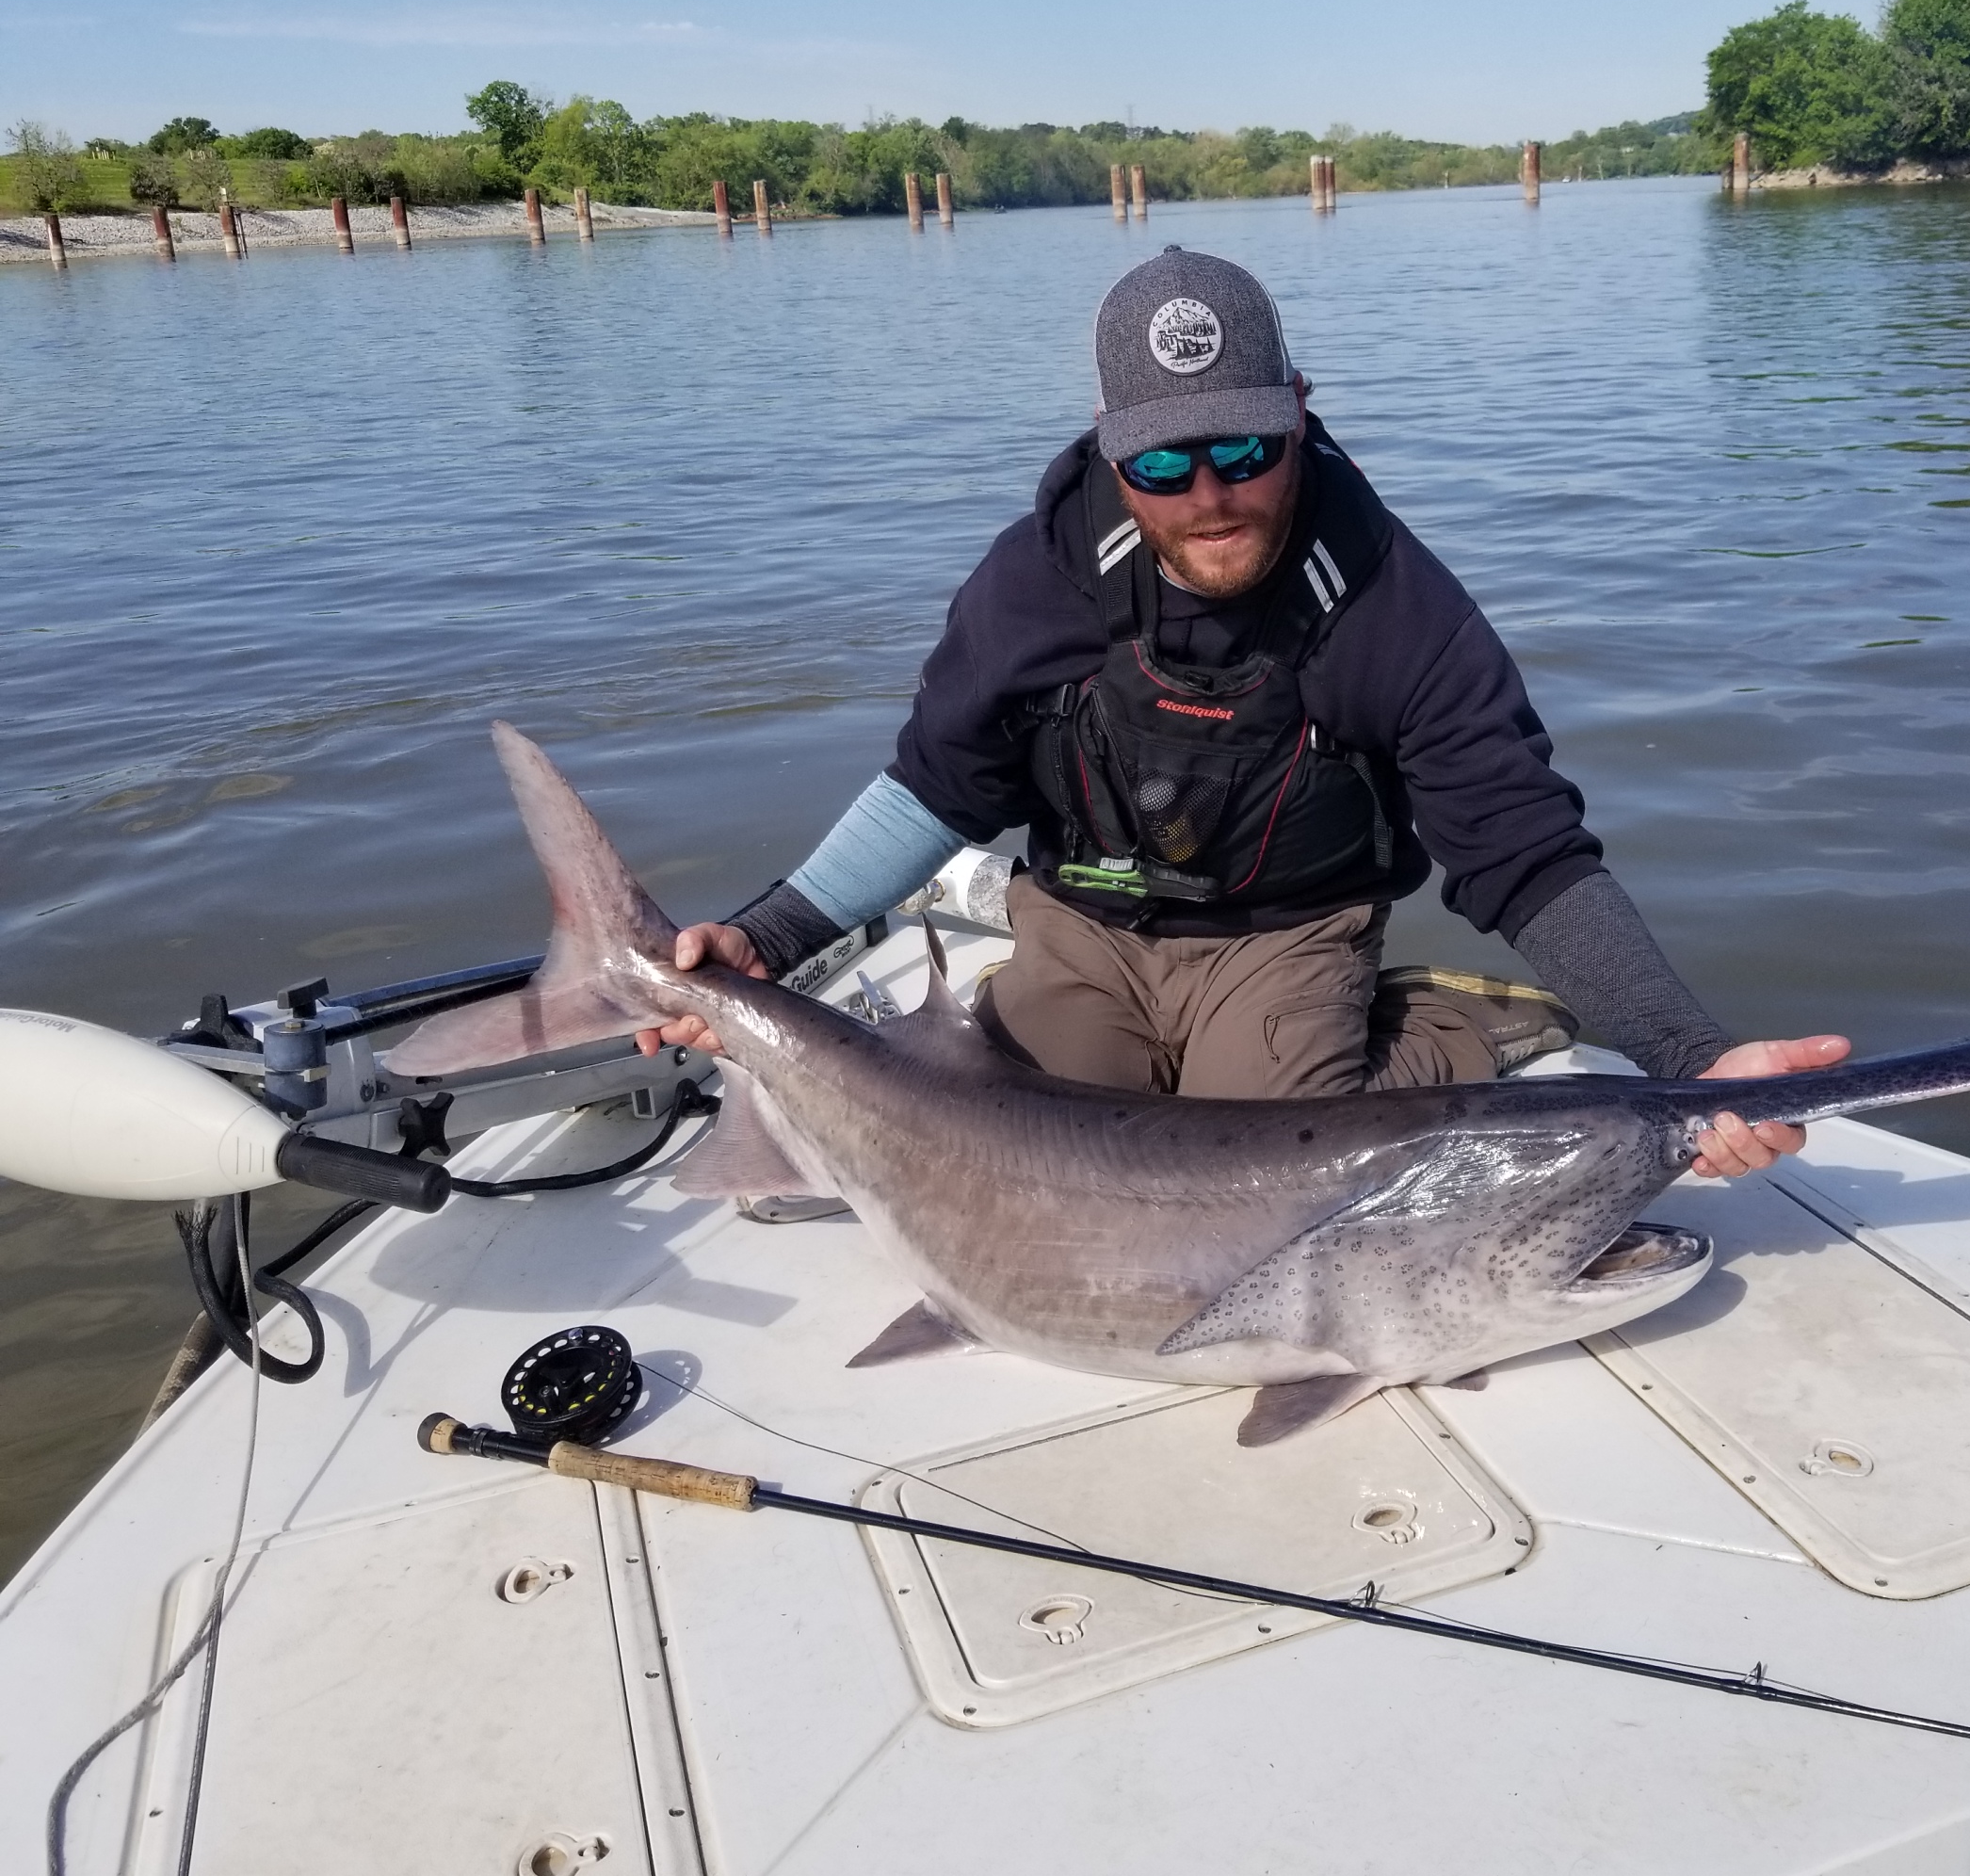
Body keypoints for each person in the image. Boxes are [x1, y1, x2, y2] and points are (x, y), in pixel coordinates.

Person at [641, 248, 1846, 1183]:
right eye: (1164, 466)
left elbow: (1523, 851)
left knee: (1255, 1150)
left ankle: (1448, 1032)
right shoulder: (1035, 582)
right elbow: (938, 786)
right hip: (1085, 921)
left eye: (1245, 449)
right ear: (1114, 456)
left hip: (1285, 938)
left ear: (1300, 413)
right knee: (1024, 1138)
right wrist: (772, 937)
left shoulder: (1394, 605)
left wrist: (1690, 1062)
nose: (1210, 499)